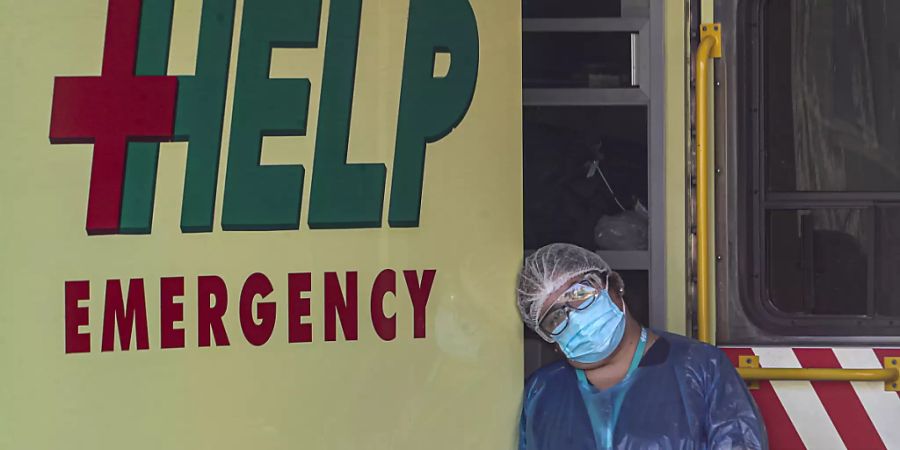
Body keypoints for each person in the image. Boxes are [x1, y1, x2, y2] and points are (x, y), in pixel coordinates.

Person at [516, 243, 767, 449]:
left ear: (614, 285)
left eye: (580, 294)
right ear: (551, 340)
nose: (575, 317)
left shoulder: (701, 368)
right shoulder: (543, 392)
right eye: (555, 317)